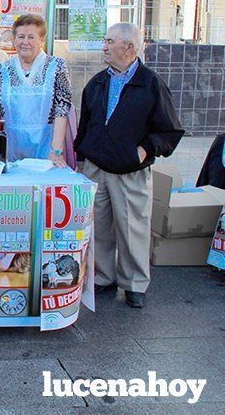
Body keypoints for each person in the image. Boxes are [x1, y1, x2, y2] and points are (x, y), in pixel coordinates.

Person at [75, 22, 183, 309]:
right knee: (98, 228)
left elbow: (170, 131)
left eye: (110, 41)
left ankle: (134, 284)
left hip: (130, 171)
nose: (104, 46)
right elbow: (85, 123)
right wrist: (82, 157)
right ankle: (103, 275)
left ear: (129, 47)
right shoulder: (97, 82)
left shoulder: (150, 83)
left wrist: (144, 150)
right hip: (96, 167)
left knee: (133, 227)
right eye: (105, 40)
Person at [0, 14, 73, 167]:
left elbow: (62, 109)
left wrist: (56, 151)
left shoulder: (56, 66)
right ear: (14, 40)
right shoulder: (3, 69)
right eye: (21, 36)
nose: (25, 42)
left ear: (42, 40)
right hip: (10, 147)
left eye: (31, 37)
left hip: (46, 146)